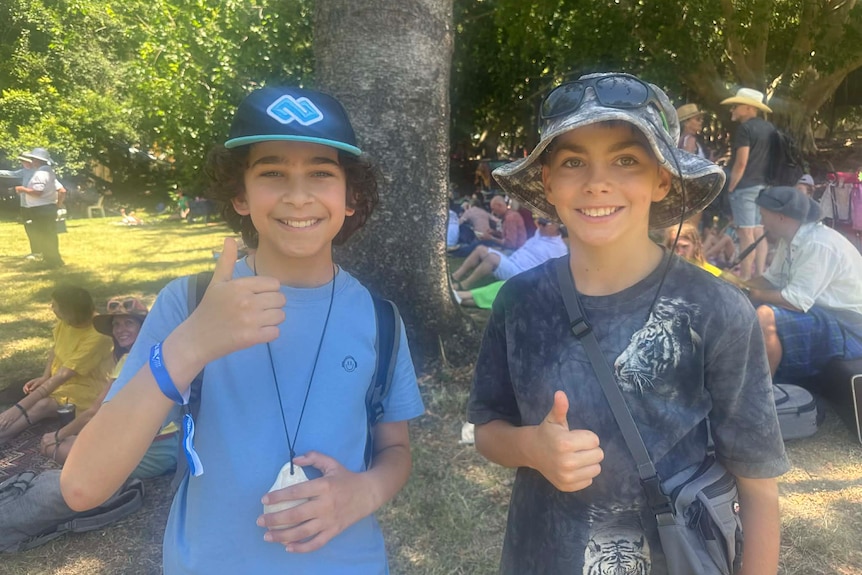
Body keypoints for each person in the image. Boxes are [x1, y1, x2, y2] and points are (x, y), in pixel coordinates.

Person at [61, 86, 425, 574]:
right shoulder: (189, 305)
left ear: (350, 196)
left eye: (321, 172)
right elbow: (83, 487)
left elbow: (395, 449)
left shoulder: (381, 319)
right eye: (272, 172)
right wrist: (193, 343)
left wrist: (366, 491)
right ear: (240, 194)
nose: (298, 195)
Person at [468, 72, 788, 574]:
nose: (597, 182)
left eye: (626, 160)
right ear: (547, 182)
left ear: (662, 179)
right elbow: (488, 427)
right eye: (573, 161)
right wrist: (530, 447)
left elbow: (758, 486)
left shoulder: (718, 309)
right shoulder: (519, 301)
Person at [38, 297, 178, 478]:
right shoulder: (159, 353)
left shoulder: (130, 361)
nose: (120, 330)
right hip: (172, 441)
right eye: (116, 325)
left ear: (143, 327)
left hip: (153, 450)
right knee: (79, 440)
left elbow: (94, 412)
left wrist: (58, 435)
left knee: (56, 448)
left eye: (129, 323)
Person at [747, 186, 862, 381]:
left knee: (765, 315)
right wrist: (736, 287)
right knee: (745, 304)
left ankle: (762, 390)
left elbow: (796, 301)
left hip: (850, 325)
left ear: (781, 217)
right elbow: (771, 280)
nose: (761, 222)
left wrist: (754, 294)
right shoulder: (789, 239)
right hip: (822, 311)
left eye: (764, 215)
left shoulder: (818, 244)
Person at [0, 286, 113, 446]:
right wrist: (45, 377)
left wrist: (18, 409)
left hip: (88, 390)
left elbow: (64, 375)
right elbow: (56, 349)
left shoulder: (98, 334)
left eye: (55, 305)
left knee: (42, 404)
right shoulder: (66, 322)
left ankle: (4, 434)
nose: (51, 307)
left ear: (70, 311)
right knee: (19, 390)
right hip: (60, 381)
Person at [721, 87, 775, 280]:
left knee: (745, 234)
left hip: (745, 188)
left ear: (749, 108)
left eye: (736, 105)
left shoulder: (744, 129)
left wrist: (731, 186)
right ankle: (759, 275)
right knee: (758, 232)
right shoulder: (770, 129)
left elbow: (741, 163)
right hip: (763, 187)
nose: (733, 109)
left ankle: (744, 278)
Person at [451, 217, 567, 290]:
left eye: (544, 224)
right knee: (481, 249)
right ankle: (456, 276)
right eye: (539, 222)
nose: (540, 225)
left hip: (521, 274)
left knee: (492, 258)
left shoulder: (559, 249)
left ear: (556, 226)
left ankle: (464, 285)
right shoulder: (540, 233)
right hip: (512, 261)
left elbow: (557, 274)